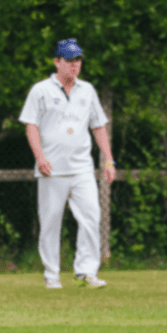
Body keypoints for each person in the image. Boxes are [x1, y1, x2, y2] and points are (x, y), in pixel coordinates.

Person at [19, 39, 116, 289]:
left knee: (91, 217)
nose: (75, 65)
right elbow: (31, 125)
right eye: (70, 61)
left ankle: (86, 271)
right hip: (52, 169)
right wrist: (40, 157)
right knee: (51, 222)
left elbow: (98, 126)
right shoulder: (41, 90)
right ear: (57, 62)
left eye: (78, 60)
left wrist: (108, 159)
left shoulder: (88, 90)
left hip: (82, 167)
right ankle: (52, 274)